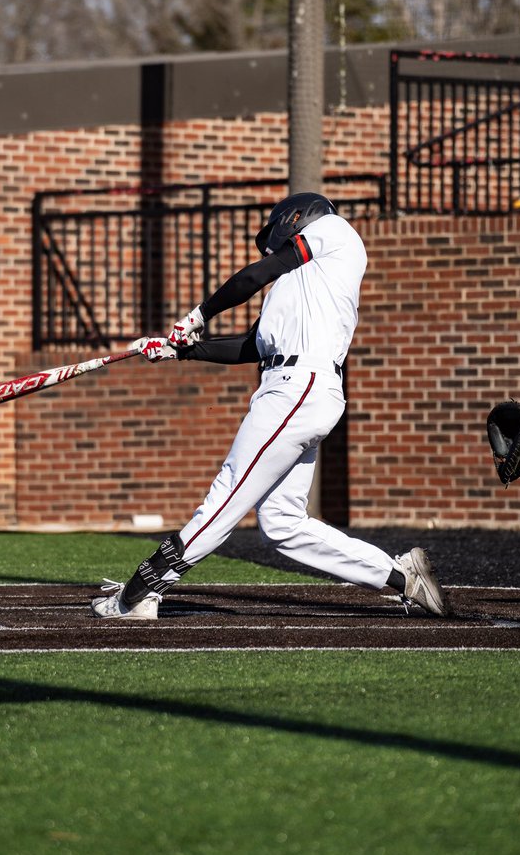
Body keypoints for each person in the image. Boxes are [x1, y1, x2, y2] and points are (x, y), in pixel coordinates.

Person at [91, 192, 449, 621]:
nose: (272, 247)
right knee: (281, 521)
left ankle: (141, 591)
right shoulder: (299, 283)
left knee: (227, 494)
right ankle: (401, 576)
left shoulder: (333, 231)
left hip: (300, 386)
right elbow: (251, 346)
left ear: (295, 218)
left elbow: (255, 275)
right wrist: (180, 350)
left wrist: (198, 315)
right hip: (294, 388)